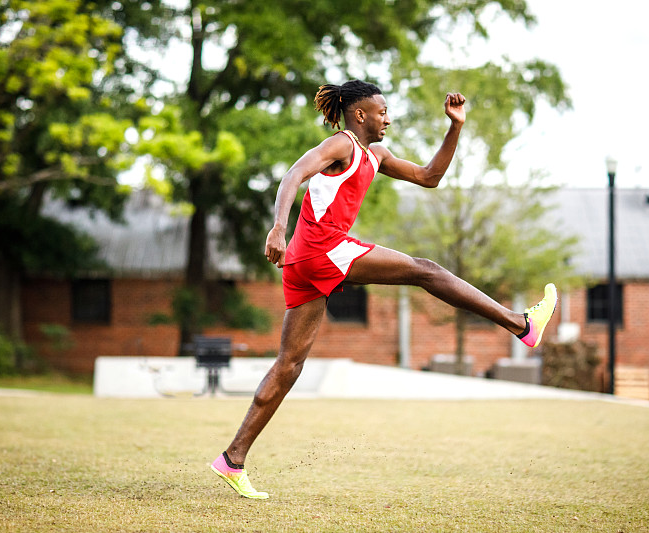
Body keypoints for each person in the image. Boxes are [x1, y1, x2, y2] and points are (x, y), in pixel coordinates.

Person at [211, 80, 557, 499]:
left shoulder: (376, 155)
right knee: (425, 270)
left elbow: (430, 177)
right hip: (322, 249)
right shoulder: (341, 144)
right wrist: (278, 226)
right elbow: (293, 175)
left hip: (303, 264)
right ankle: (521, 325)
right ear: (361, 115)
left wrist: (455, 127)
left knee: (289, 365)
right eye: (382, 112)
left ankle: (232, 458)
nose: (388, 119)